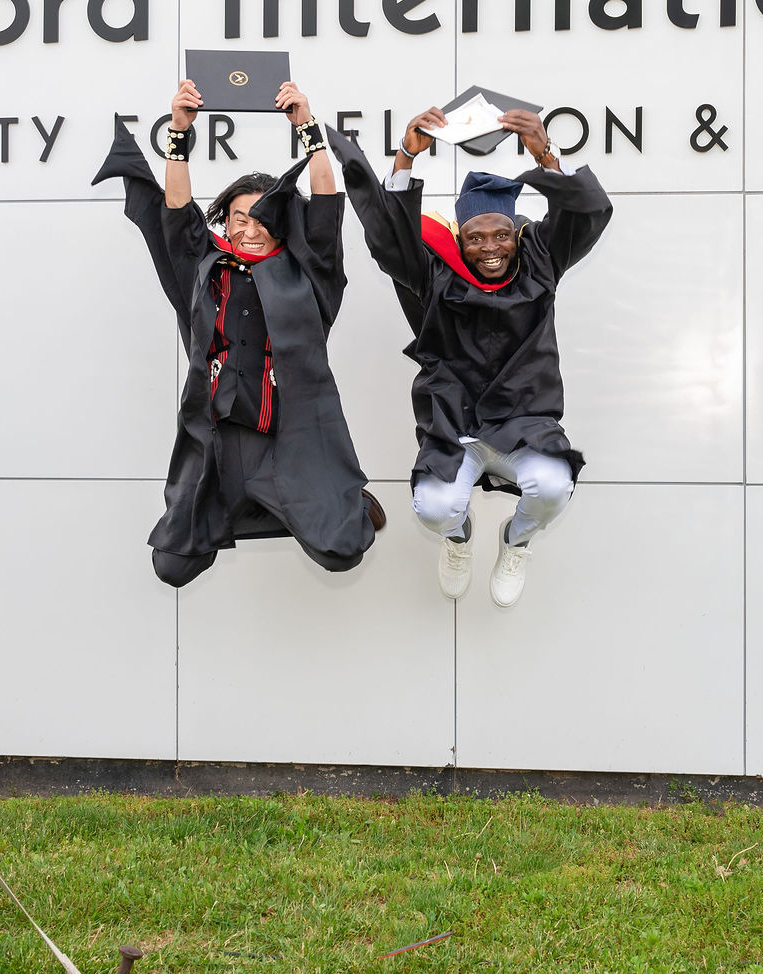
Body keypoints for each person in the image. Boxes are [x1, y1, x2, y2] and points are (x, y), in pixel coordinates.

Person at [93, 79, 383, 587]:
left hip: (289, 438)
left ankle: (334, 498)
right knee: (173, 565)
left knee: (344, 553)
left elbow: (325, 204)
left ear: (280, 224)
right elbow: (178, 215)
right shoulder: (206, 270)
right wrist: (179, 132)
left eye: (257, 220)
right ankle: (260, 504)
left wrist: (308, 129)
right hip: (220, 441)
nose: (245, 230)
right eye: (234, 219)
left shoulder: (308, 274)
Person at [329, 107, 611, 606]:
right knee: (435, 509)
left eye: (500, 233)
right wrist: (406, 155)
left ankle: (515, 541)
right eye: (475, 236)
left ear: (516, 231)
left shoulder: (540, 259)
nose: (490, 247)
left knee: (551, 488)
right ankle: (458, 538)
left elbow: (587, 214)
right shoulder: (438, 273)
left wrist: (546, 156)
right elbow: (390, 239)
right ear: (460, 238)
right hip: (454, 423)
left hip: (525, 421)